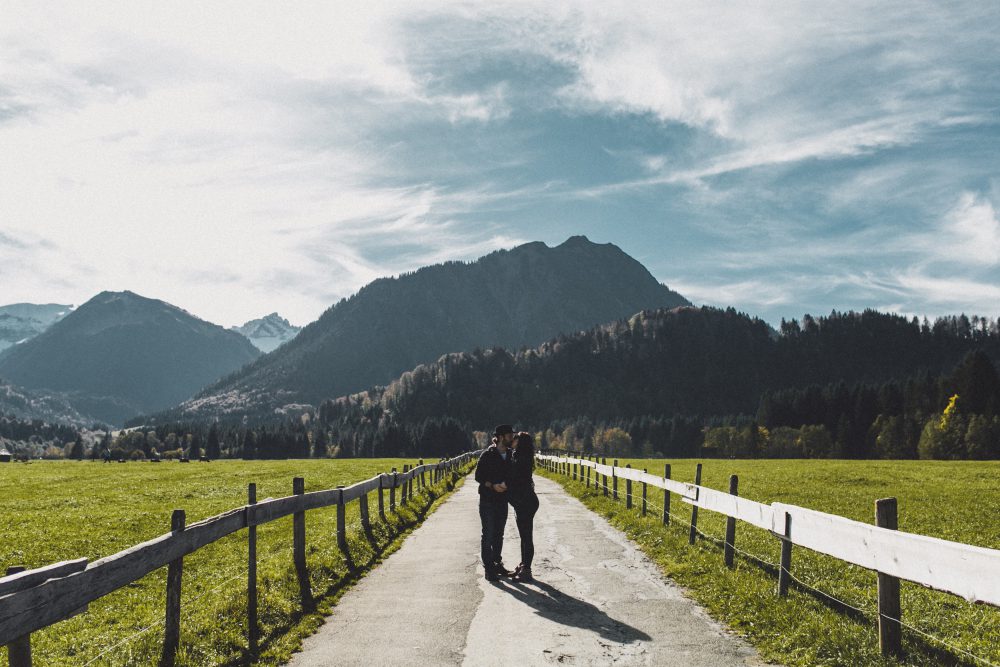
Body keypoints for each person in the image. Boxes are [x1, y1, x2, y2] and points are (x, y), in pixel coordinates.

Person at [475, 424, 514, 581]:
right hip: (487, 501)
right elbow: (478, 476)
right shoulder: (487, 455)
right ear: (501, 437)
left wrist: (507, 485)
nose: (512, 438)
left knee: (499, 534)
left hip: (503, 500)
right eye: (509, 436)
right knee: (488, 534)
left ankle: (497, 563)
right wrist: (492, 485)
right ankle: (489, 568)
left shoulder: (511, 455)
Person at [508, 431, 540, 582]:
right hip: (525, 501)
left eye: (516, 439)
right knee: (524, 537)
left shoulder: (521, 459)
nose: (513, 440)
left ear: (520, 443)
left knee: (526, 537)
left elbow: (515, 479)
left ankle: (527, 570)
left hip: (525, 501)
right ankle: (523, 565)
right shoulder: (522, 457)